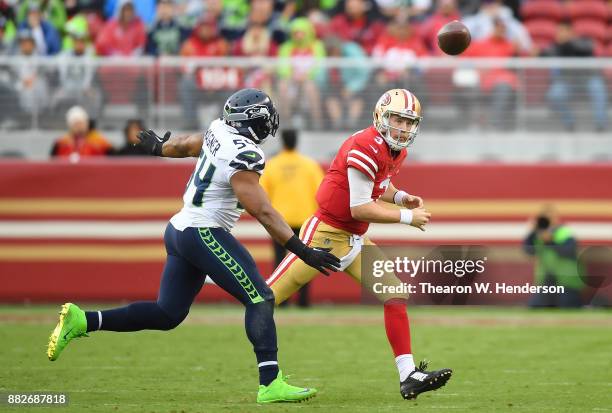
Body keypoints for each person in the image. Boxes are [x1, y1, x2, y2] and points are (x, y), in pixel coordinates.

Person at [46, 88, 340, 404]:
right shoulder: (246, 155)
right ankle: (270, 383)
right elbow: (262, 211)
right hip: (203, 231)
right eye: (265, 118)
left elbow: (187, 144)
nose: (270, 123)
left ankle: (83, 320)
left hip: (179, 228)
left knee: (167, 313)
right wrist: (302, 250)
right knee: (260, 297)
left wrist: (160, 148)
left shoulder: (218, 129)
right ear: (252, 122)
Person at [265, 88, 452, 400]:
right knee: (264, 299)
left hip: (355, 237)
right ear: (381, 116)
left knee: (394, 293)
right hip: (326, 234)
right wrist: (406, 216)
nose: (403, 128)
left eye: (409, 122)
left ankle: (408, 375)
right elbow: (359, 206)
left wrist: (402, 196)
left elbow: (381, 185)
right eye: (397, 119)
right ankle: (267, 379)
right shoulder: (365, 145)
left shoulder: (394, 150)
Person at [260, 129, 324, 307]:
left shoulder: (271, 165)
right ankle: (304, 302)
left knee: (280, 261)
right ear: (296, 142)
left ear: (283, 142)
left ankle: (281, 300)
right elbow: (321, 192)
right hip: (304, 219)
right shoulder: (309, 165)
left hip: (279, 220)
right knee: (305, 261)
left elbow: (262, 193)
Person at [541, 22, 608, 132]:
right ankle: (569, 122)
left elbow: (587, 48)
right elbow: (544, 54)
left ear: (571, 32)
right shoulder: (556, 46)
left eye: (562, 31)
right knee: (554, 95)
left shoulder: (583, 40)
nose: (559, 34)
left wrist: (568, 42)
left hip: (589, 78)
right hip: (567, 81)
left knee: (599, 90)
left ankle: (600, 124)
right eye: (558, 32)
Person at [523, 207, 584, 308]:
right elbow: (528, 250)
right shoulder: (538, 235)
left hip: (567, 282)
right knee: (536, 306)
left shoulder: (564, 232)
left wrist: (550, 241)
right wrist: (532, 232)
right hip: (546, 282)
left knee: (567, 306)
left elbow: (569, 251)